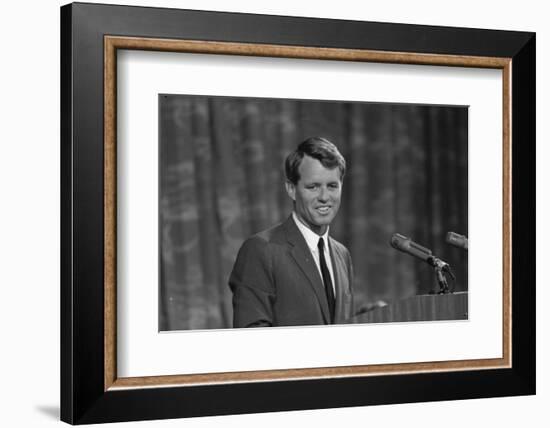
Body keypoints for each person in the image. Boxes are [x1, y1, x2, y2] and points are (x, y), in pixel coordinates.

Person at [229, 137, 354, 327]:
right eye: (313, 187)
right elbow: (252, 338)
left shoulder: (342, 254)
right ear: (291, 189)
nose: (324, 197)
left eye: (332, 186)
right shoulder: (261, 250)